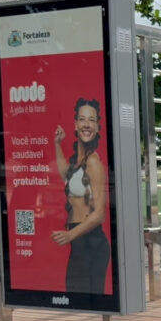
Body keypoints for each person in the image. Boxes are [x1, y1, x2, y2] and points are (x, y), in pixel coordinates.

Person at [53, 97, 109, 294]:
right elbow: (65, 175)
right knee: (78, 300)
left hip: (91, 242)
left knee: (86, 301)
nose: (87, 124)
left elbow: (99, 214)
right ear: (75, 125)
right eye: (82, 119)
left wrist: (70, 235)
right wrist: (57, 144)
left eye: (92, 120)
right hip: (80, 241)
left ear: (98, 127)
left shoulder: (93, 163)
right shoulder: (78, 162)